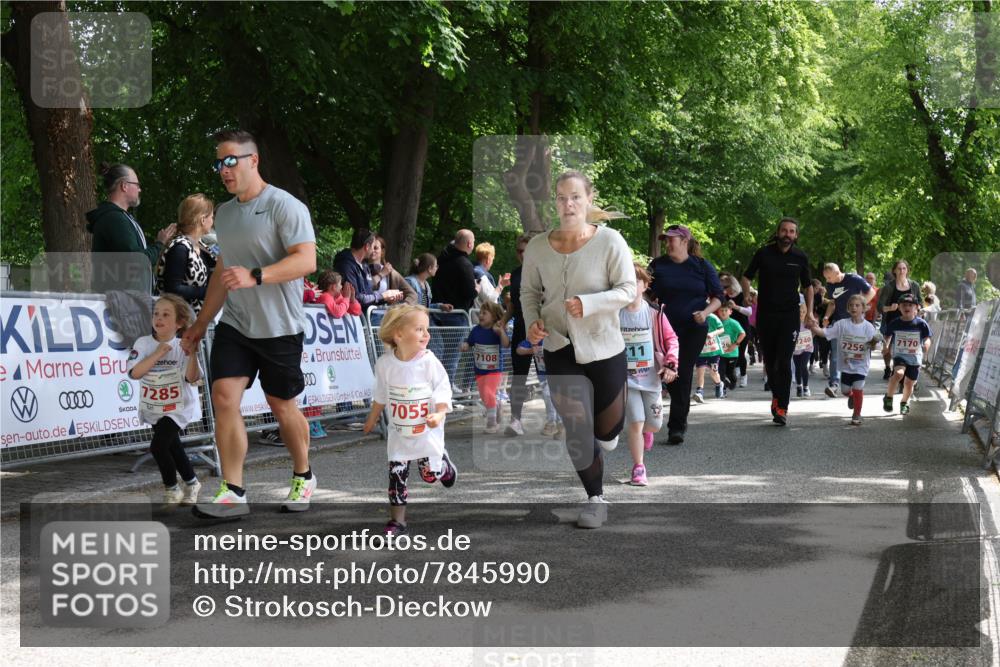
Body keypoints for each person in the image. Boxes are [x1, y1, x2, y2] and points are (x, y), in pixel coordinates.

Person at [181, 129, 318, 519]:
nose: (223, 170)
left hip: (280, 327)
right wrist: (201, 324)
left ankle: (303, 475)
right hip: (237, 325)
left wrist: (256, 276)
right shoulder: (224, 214)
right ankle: (233, 491)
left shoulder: (284, 206)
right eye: (218, 163)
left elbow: (306, 260)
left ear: (253, 160)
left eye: (230, 161)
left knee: (282, 406)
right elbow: (224, 269)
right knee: (224, 397)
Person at [521, 170, 636, 529]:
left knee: (607, 430)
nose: (567, 204)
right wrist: (532, 324)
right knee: (577, 428)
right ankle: (595, 499)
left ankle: (607, 437)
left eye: (575, 197)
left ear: (588, 200)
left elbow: (628, 290)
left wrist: (590, 303)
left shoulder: (610, 241)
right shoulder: (539, 246)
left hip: (604, 346)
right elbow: (528, 294)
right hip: (558, 346)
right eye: (560, 197)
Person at [362, 305, 456, 536]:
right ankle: (397, 522)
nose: (426, 334)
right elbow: (381, 394)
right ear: (399, 334)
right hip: (399, 434)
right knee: (396, 475)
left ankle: (443, 468)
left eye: (427, 329)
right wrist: (372, 418)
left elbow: (443, 388)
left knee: (429, 476)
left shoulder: (428, 361)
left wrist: (440, 413)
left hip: (426, 431)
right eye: (419, 329)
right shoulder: (385, 364)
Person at [648, 225, 724, 443]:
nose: (667, 243)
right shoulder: (658, 265)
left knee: (681, 370)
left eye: (671, 240)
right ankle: (678, 418)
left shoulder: (701, 266)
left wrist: (706, 312)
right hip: (664, 329)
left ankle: (677, 427)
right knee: (669, 373)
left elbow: (719, 296)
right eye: (666, 240)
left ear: (684, 241)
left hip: (693, 328)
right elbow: (644, 290)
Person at [127, 294, 203, 505]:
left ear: (179, 323)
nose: (158, 318)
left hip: (179, 406)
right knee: (173, 446)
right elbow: (134, 373)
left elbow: (192, 378)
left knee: (159, 446)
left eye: (166, 315)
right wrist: (157, 354)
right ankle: (192, 482)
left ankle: (172, 488)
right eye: (156, 314)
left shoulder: (182, 345)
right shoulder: (143, 343)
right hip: (154, 406)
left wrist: (193, 353)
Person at [740, 218, 814, 426]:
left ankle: (783, 406)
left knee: (784, 359)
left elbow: (808, 286)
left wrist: (808, 311)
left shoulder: (800, 257)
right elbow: (746, 277)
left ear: (796, 235)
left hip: (789, 315)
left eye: (791, 231)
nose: (787, 234)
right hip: (766, 315)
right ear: (778, 232)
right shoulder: (764, 253)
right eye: (784, 230)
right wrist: (747, 294)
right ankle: (776, 396)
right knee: (771, 362)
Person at [620, 264, 678, 485]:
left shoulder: (654, 313)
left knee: (653, 424)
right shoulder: (615, 314)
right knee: (635, 422)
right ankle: (638, 467)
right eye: (625, 282)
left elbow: (672, 339)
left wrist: (671, 364)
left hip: (651, 378)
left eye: (635, 281)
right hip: (626, 381)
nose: (630, 286)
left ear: (645, 285)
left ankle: (648, 431)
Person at [87, 163, 176, 292]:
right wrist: (160, 244)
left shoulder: (121, 218)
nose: (140, 190)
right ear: (124, 186)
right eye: (137, 185)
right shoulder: (114, 219)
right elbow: (137, 261)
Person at [808, 294, 880, 425]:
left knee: (858, 387)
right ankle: (851, 396)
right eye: (851, 305)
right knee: (845, 390)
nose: (854, 307)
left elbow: (874, 346)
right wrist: (813, 326)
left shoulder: (868, 327)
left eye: (857, 305)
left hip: (861, 365)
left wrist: (874, 343)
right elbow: (825, 333)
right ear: (847, 308)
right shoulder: (842, 324)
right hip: (846, 365)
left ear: (863, 308)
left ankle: (857, 414)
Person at [821, 263, 877, 398]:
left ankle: (855, 386)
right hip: (839, 322)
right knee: (835, 353)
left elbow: (871, 292)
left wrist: (860, 307)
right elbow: (833, 303)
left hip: (856, 323)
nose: (827, 281)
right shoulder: (831, 285)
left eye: (829, 277)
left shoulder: (854, 279)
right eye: (826, 278)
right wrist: (827, 316)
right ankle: (834, 384)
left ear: (836, 272)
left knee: (854, 352)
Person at [155, 194, 215, 314]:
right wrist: (207, 292)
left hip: (193, 318)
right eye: (211, 217)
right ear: (202, 220)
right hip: (178, 321)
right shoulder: (180, 248)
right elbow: (172, 289)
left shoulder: (200, 246)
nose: (213, 222)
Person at [433, 230, 479, 385]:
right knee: (452, 357)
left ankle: (441, 388)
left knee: (439, 355)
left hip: (437, 313)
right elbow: (469, 292)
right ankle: (447, 393)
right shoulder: (464, 263)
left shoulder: (441, 260)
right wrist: (476, 290)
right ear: (469, 244)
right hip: (456, 316)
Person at [460, 301, 510, 434]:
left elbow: (506, 345)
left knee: (488, 392)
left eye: (484, 313)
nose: (480, 315)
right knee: (484, 396)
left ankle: (492, 422)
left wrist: (501, 332)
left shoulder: (497, 330)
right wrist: (465, 345)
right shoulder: (476, 330)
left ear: (494, 316)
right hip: (480, 370)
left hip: (494, 370)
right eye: (480, 312)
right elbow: (469, 342)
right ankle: (497, 405)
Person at [502, 234, 535, 437]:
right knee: (519, 375)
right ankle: (516, 420)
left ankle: (558, 420)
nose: (522, 254)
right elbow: (513, 306)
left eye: (527, 250)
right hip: (521, 328)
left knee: (552, 375)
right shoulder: (515, 274)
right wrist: (503, 321)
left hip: (543, 329)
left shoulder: (544, 271)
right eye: (520, 250)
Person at [883, 293, 933, 416]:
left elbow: (927, 338)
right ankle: (889, 397)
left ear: (916, 308)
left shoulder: (921, 324)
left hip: (915, 357)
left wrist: (926, 344)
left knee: (910, 383)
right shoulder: (895, 323)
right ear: (899, 307)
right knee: (899, 373)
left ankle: (904, 402)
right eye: (904, 305)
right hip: (900, 355)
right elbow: (888, 336)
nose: (907, 307)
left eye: (910, 305)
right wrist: (886, 347)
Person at [333, 229, 403, 315]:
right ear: (367, 246)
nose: (373, 250)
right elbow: (356, 298)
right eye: (373, 247)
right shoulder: (345, 265)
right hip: (354, 317)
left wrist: (388, 297)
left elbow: (367, 290)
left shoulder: (364, 264)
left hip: (368, 315)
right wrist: (383, 296)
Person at [877, 259, 920, 379]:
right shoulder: (889, 287)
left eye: (904, 268)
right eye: (899, 269)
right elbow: (880, 307)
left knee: (904, 348)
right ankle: (887, 367)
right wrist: (890, 308)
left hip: (908, 323)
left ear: (907, 270)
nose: (901, 271)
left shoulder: (914, 285)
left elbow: (920, 302)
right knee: (888, 349)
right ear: (894, 271)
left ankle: (903, 371)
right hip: (891, 321)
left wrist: (917, 309)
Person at [515, 339, 563, 437]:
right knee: (547, 395)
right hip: (543, 374)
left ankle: (560, 423)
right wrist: (531, 351)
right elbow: (519, 350)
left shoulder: (556, 335)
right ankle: (552, 423)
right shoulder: (535, 337)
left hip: (557, 374)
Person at [368, 235, 417, 306]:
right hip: (363, 313)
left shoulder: (391, 273)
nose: (372, 250)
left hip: (385, 314)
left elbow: (412, 294)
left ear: (382, 251)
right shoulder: (360, 268)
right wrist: (382, 274)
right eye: (370, 247)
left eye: (375, 248)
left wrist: (404, 306)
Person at [721, 275, 751, 387]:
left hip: (742, 327)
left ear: (732, 285)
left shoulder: (743, 295)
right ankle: (731, 374)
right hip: (728, 329)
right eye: (722, 287)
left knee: (741, 352)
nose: (724, 289)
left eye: (725, 286)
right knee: (729, 352)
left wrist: (736, 307)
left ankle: (743, 375)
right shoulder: (724, 297)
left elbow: (749, 312)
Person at [693, 312, 725, 403]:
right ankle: (699, 392)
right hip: (701, 352)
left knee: (713, 372)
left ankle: (719, 384)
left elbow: (721, 329)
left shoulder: (712, 317)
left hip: (713, 351)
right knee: (700, 372)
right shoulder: (693, 317)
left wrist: (713, 333)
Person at [716, 302, 746, 394]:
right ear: (718, 312)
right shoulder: (716, 322)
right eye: (721, 310)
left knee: (729, 373)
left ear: (730, 312)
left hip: (732, 353)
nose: (723, 312)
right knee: (720, 372)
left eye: (726, 310)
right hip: (720, 352)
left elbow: (743, 333)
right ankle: (723, 389)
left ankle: (733, 380)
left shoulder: (733, 323)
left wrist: (735, 344)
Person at [473, 242, 511, 307]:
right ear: (488, 259)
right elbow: (490, 300)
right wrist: (501, 286)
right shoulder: (480, 275)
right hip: (482, 315)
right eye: (492, 259)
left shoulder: (472, 270)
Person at [793, 301, 814, 397]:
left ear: (806, 312)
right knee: (798, 367)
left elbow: (816, 331)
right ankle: (799, 386)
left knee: (803, 365)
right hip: (796, 349)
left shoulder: (809, 322)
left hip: (807, 348)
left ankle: (806, 387)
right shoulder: (792, 323)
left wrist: (811, 335)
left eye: (803, 311)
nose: (801, 313)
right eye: (799, 312)